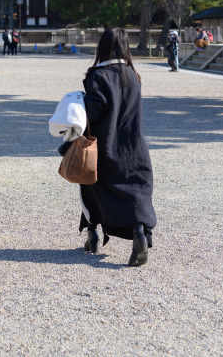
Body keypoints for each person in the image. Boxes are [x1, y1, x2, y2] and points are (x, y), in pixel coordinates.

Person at [79, 27, 156, 266]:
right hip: (134, 147)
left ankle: (92, 233)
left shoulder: (98, 75)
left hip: (105, 145)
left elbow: (93, 110)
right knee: (135, 190)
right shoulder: (132, 75)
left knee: (93, 187)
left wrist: (75, 105)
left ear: (102, 47)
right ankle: (139, 232)